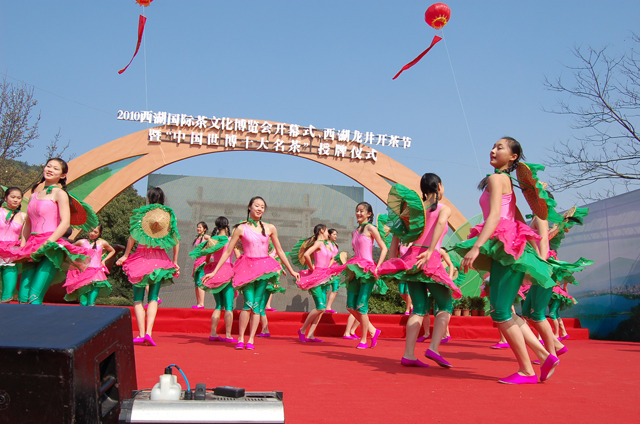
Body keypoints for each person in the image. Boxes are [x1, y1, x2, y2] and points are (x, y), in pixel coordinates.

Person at [454, 137, 555, 384]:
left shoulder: (497, 179)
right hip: (508, 246)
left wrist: (476, 247)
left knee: (500, 312)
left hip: (505, 247)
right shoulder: (504, 180)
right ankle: (544, 355)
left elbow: (496, 216)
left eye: (500, 147)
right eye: (493, 145)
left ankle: (527, 371)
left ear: (513, 157)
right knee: (502, 310)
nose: (492, 149)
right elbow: (517, 217)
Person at [379, 175, 461, 368]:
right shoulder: (444, 208)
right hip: (429, 258)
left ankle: (408, 354)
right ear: (439, 186)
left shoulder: (414, 211)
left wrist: (394, 260)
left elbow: (397, 236)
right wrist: (431, 251)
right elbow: (441, 224)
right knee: (446, 306)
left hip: (411, 260)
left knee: (418, 309)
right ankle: (433, 347)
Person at [202, 196, 300, 350]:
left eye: (262, 206)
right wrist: (214, 271)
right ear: (249, 207)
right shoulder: (241, 228)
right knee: (247, 304)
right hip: (246, 268)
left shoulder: (270, 228)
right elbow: (228, 252)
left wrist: (292, 270)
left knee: (257, 306)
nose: (260, 209)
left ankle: (251, 340)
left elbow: (279, 250)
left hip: (263, 269)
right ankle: (241, 338)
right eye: (257, 205)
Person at [2, 158, 90, 304]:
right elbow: (28, 224)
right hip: (32, 246)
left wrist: (47, 244)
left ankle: (34, 326)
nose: (50, 170)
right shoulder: (33, 195)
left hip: (51, 247)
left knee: (34, 295)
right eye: (48, 166)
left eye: (55, 168)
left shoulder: (60, 194)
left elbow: (65, 223)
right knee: (23, 296)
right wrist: (23, 246)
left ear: (62, 175)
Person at [116, 187, 180, 346]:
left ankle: (141, 333)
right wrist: (175, 260)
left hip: (141, 259)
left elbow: (132, 236)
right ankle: (150, 333)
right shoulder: (168, 216)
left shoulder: (142, 214)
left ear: (149, 199)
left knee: (138, 299)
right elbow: (175, 240)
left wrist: (125, 255)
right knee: (153, 298)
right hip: (160, 261)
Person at [343, 202, 388, 349]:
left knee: (361, 306)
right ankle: (373, 330)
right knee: (350, 306)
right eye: (357, 211)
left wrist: (378, 266)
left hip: (368, 270)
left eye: (361, 211)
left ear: (369, 214)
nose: (358, 213)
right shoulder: (354, 232)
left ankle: (363, 339)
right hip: (355, 269)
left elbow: (384, 248)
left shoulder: (370, 228)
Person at [296, 224, 345, 342]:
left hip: (325, 276)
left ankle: (311, 335)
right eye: (327, 230)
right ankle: (302, 330)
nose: (328, 233)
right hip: (316, 277)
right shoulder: (318, 243)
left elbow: (332, 258)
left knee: (322, 309)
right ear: (322, 231)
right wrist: (311, 267)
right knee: (320, 307)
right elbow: (307, 254)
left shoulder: (325, 244)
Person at [194, 216, 237, 343]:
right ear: (227, 225)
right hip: (228, 271)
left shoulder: (212, 240)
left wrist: (212, 264)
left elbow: (207, 259)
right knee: (229, 306)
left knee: (218, 305)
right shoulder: (230, 240)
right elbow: (237, 256)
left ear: (216, 227)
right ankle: (228, 335)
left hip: (215, 272)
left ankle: (213, 333)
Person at [63, 224, 115, 306]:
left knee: (92, 302)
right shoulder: (82, 242)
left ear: (99, 233)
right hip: (83, 274)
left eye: (95, 232)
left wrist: (104, 260)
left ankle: (91, 317)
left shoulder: (102, 242)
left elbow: (112, 250)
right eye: (91, 231)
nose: (92, 233)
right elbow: (70, 248)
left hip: (96, 273)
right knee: (83, 302)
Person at [0, 187, 27, 302]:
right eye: (13, 197)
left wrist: (23, 250)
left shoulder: (23, 216)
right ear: (6, 198)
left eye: (19, 198)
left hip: (11, 253)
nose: (16, 200)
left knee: (8, 288)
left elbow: (25, 235)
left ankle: (5, 305)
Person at [191, 221, 210, 309]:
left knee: (200, 282)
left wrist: (208, 252)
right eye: (197, 227)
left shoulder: (205, 237)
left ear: (204, 229)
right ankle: (198, 303)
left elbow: (213, 242)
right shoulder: (198, 237)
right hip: (197, 263)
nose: (198, 229)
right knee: (196, 284)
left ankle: (201, 303)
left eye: (200, 227)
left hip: (202, 263)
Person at [324, 228, 343, 314]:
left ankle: (329, 306)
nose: (336, 236)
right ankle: (323, 307)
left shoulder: (335, 244)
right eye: (334, 234)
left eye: (336, 234)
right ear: (329, 235)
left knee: (335, 288)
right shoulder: (326, 244)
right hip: (328, 268)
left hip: (336, 268)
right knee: (326, 288)